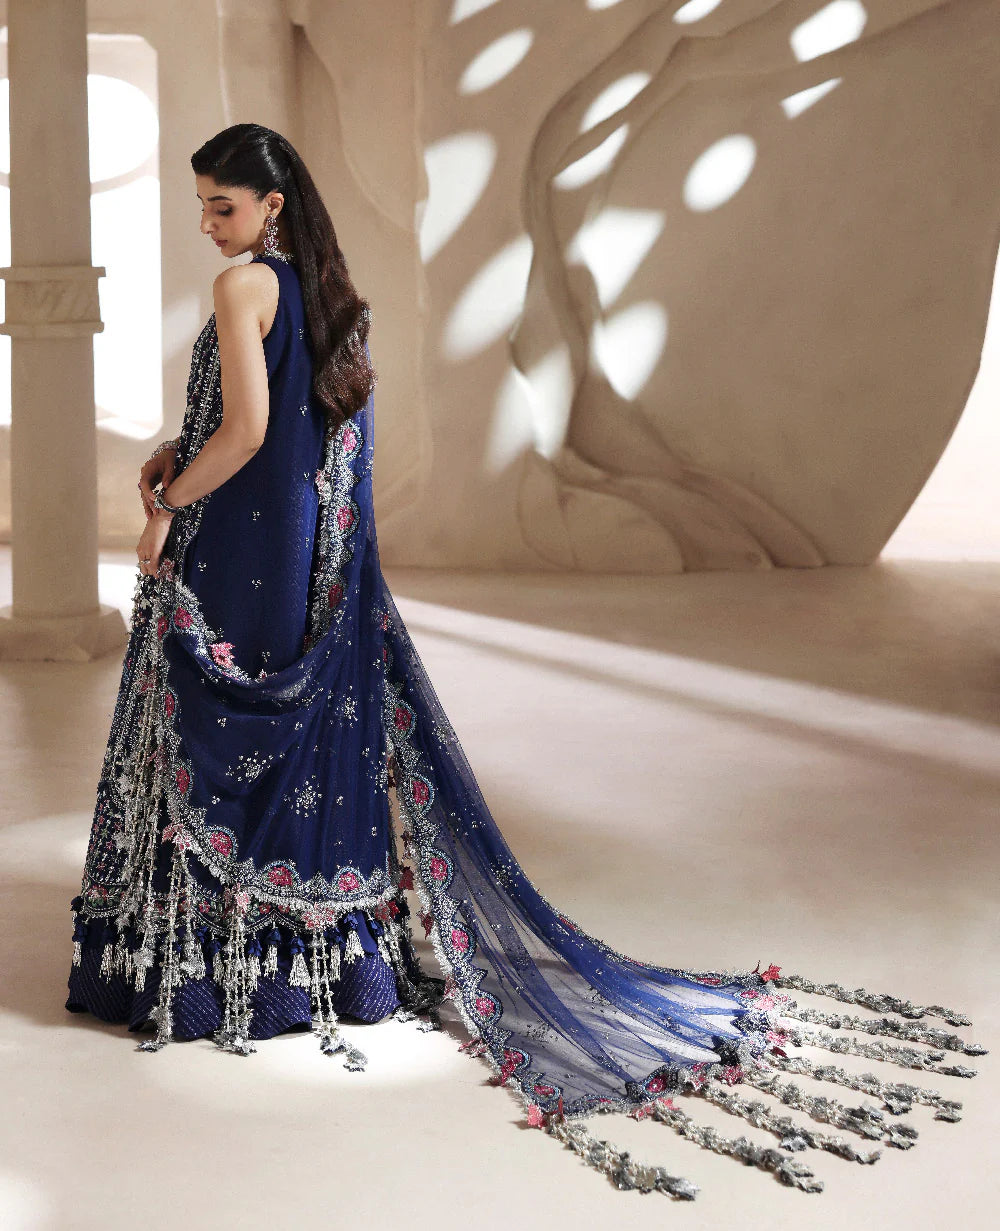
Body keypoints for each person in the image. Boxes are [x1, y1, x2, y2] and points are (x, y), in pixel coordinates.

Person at [65, 123, 987, 1200]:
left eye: (221, 206)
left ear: (271, 206)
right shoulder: (325, 291)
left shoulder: (243, 286)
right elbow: (279, 422)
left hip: (243, 545)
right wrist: (184, 446)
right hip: (305, 554)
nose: (207, 224)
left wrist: (166, 508)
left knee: (218, 725)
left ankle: (215, 966)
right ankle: (321, 959)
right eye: (201, 205)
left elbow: (252, 432)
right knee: (293, 733)